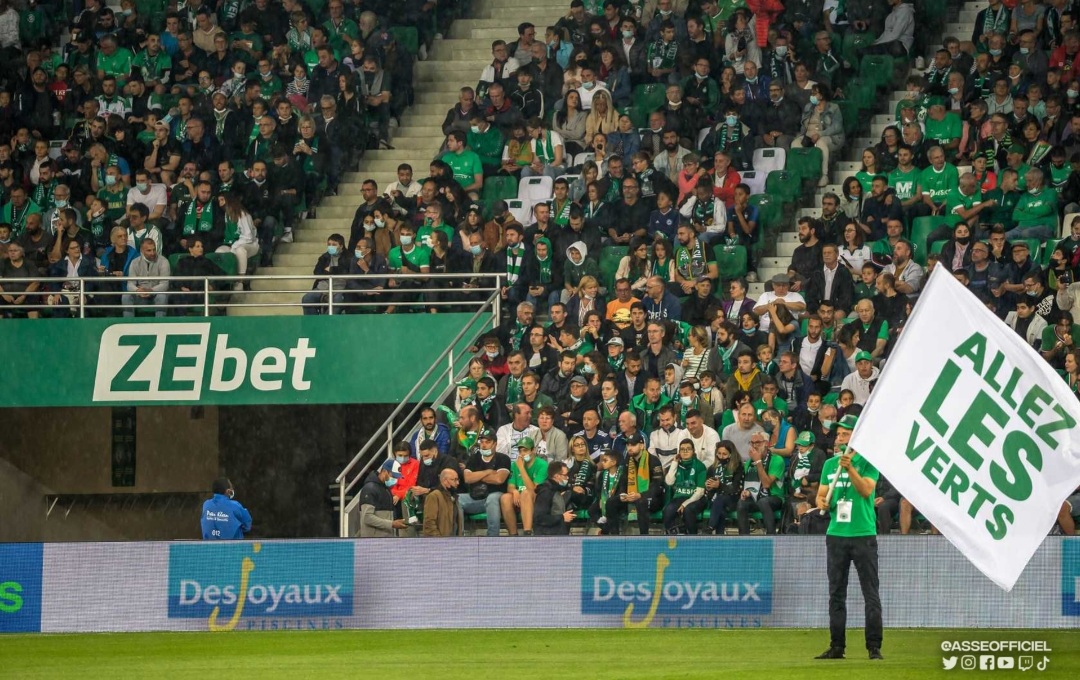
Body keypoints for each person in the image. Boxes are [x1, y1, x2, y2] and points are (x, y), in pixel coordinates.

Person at [815, 414, 883, 661]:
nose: (839, 437)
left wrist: (850, 467)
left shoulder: (868, 463)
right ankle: (836, 646)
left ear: (857, 435)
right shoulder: (829, 464)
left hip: (863, 534)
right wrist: (820, 500)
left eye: (844, 433)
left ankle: (874, 646)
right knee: (836, 592)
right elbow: (822, 495)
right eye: (838, 434)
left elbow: (866, 490)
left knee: (870, 592)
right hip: (836, 534)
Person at [461, 428, 511, 536]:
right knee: (456, 499)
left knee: (492, 499)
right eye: (482, 442)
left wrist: (476, 475)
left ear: (495, 444)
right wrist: (488, 472)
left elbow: (499, 479)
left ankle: (492, 537)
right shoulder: (474, 458)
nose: (483, 445)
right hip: (475, 498)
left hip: (496, 495)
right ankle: (458, 535)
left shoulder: (503, 459)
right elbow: (467, 478)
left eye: (488, 442)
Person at [662, 438, 708, 534]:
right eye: (682, 449)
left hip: (696, 499)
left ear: (693, 451)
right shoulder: (676, 465)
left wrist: (685, 504)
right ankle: (673, 537)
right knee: (668, 511)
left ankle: (692, 538)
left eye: (688, 449)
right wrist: (674, 462)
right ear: (679, 452)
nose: (685, 451)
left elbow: (700, 492)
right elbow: (669, 482)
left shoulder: (700, 466)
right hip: (679, 497)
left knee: (688, 510)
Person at [357, 459, 408, 538]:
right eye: (393, 476)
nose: (395, 480)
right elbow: (367, 517)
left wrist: (394, 523)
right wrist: (392, 524)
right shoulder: (369, 489)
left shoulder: (386, 489)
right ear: (384, 471)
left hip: (386, 539)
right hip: (373, 542)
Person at [532, 461, 576, 535]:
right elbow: (539, 518)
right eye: (565, 475)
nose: (567, 477)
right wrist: (562, 517)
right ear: (556, 476)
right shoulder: (546, 492)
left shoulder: (560, 490)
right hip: (547, 538)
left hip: (557, 535)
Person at [422, 468, 463, 537]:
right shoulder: (434, 496)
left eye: (458, 480)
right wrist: (440, 541)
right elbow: (429, 524)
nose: (457, 483)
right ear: (445, 481)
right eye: (454, 480)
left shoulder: (453, 497)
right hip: (439, 544)